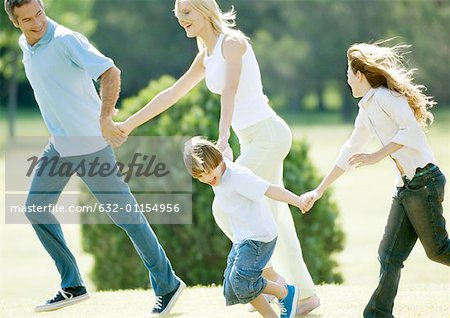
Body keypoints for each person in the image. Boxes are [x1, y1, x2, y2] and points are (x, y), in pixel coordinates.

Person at [117, 1, 319, 314]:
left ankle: (270, 284)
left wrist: (222, 136)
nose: (182, 20)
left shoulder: (233, 43)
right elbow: (172, 93)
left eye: (187, 13)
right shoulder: (206, 56)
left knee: (225, 204)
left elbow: (230, 89)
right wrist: (128, 125)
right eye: (178, 15)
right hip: (250, 137)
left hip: (268, 134)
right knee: (276, 219)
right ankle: (301, 295)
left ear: (203, 9)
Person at [4, 0, 185, 315]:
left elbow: (110, 71)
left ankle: (167, 284)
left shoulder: (65, 40)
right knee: (35, 208)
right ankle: (72, 284)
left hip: (89, 144)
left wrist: (105, 118)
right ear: (15, 22)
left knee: (125, 215)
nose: (37, 24)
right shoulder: (25, 44)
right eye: (27, 20)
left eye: (40, 14)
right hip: (59, 146)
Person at [299, 40, 450, 318]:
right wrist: (318, 191)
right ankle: (378, 315)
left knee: (438, 250)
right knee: (389, 255)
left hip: (424, 181)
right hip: (407, 187)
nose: (346, 80)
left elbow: (411, 131)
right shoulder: (367, 109)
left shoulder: (383, 98)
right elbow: (350, 151)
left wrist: (377, 155)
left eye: (347, 75)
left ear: (359, 75)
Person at [183, 136, 305, 318]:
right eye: (199, 176)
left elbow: (269, 189)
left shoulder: (239, 176)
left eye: (207, 172)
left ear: (216, 160)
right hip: (243, 238)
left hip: (258, 236)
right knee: (233, 286)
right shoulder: (219, 170)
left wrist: (298, 200)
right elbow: (225, 154)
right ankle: (278, 300)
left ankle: (284, 293)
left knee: (242, 282)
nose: (207, 178)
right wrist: (222, 140)